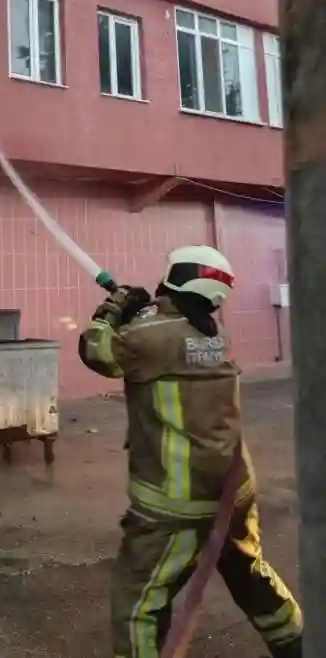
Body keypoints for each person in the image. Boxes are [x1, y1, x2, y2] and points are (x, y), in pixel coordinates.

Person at [79, 245, 302, 658]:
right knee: (249, 573)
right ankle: (297, 643)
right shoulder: (219, 335)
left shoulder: (149, 336)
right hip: (233, 490)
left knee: (139, 601)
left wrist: (114, 308)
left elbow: (96, 350)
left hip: (175, 503)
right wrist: (145, 314)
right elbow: (172, 339)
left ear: (175, 279)